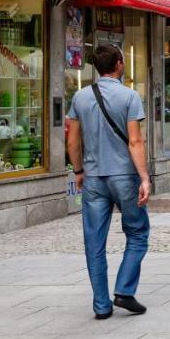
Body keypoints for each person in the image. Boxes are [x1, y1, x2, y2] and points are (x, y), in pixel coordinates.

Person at [65, 44, 152, 320]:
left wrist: (78, 171)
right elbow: (135, 141)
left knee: (94, 241)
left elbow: (72, 140)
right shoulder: (129, 96)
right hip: (124, 176)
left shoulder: (80, 97)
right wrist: (144, 177)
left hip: (93, 178)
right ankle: (124, 290)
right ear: (118, 64)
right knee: (137, 233)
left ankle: (101, 305)